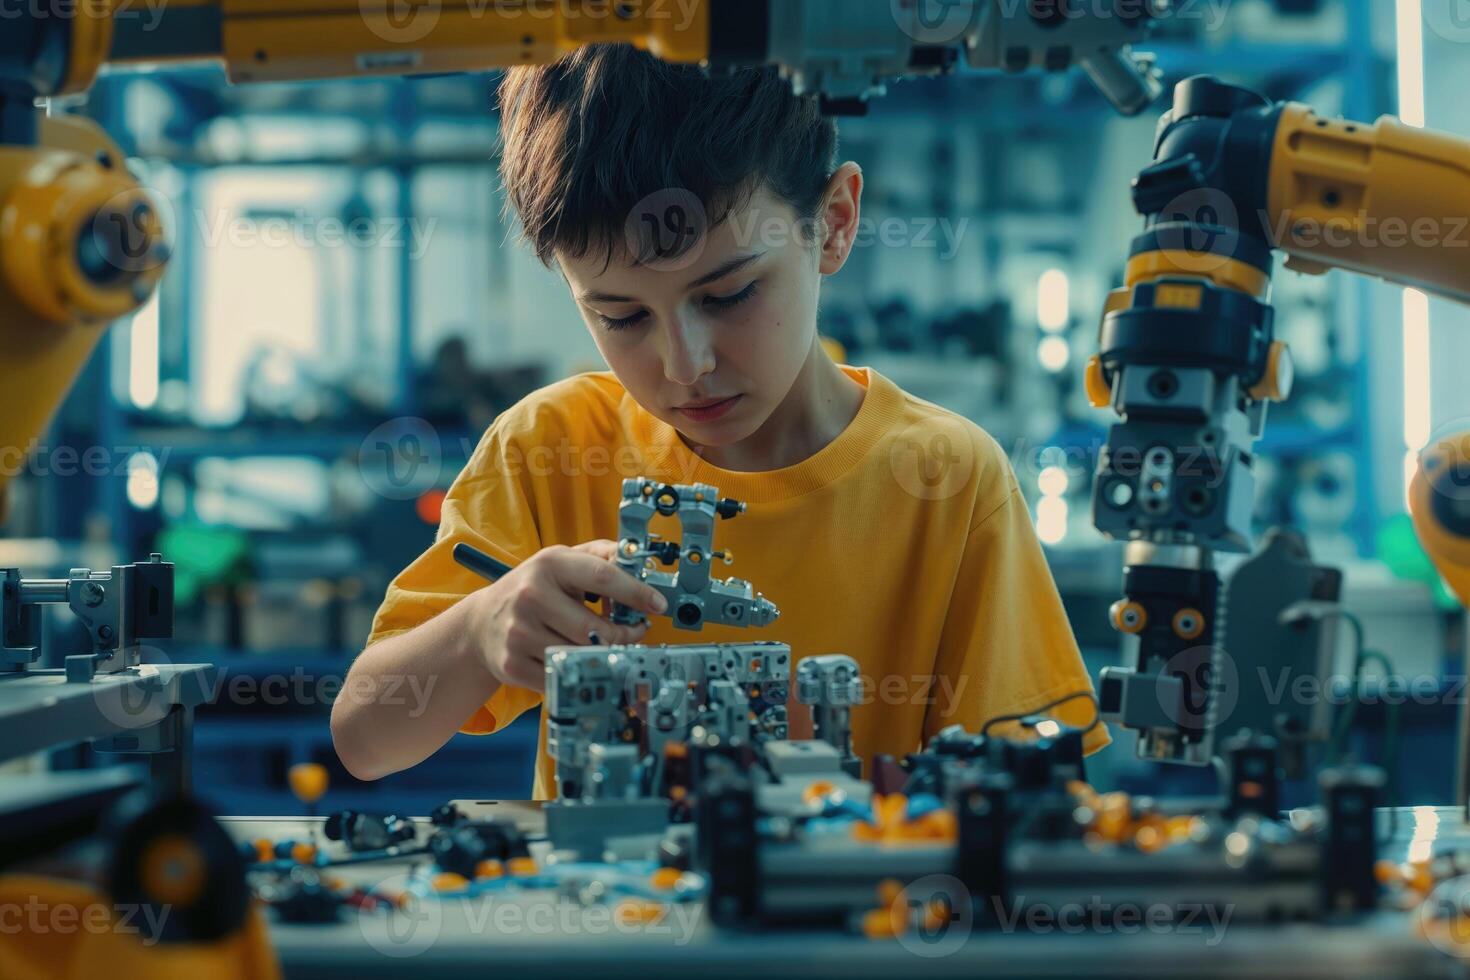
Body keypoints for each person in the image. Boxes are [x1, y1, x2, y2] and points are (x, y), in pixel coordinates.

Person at [331, 45, 1108, 794]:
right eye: (621, 316)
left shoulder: (948, 480)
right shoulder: (550, 450)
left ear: (833, 222)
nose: (683, 365)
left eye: (729, 295)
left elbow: (1038, 794)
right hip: (605, 926)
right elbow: (365, 739)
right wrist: (479, 630)